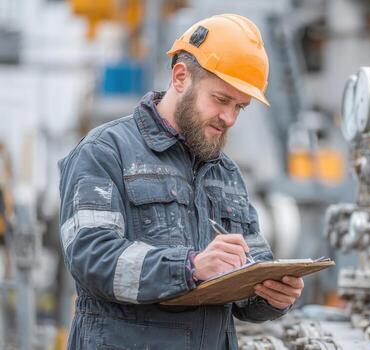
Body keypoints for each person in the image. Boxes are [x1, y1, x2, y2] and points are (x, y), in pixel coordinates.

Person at [58, 14, 304, 350]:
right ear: (180, 76)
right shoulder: (105, 151)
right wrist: (189, 267)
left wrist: (273, 297)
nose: (229, 118)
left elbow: (251, 276)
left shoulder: (225, 172)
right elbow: (92, 259)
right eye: (220, 100)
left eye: (239, 107)